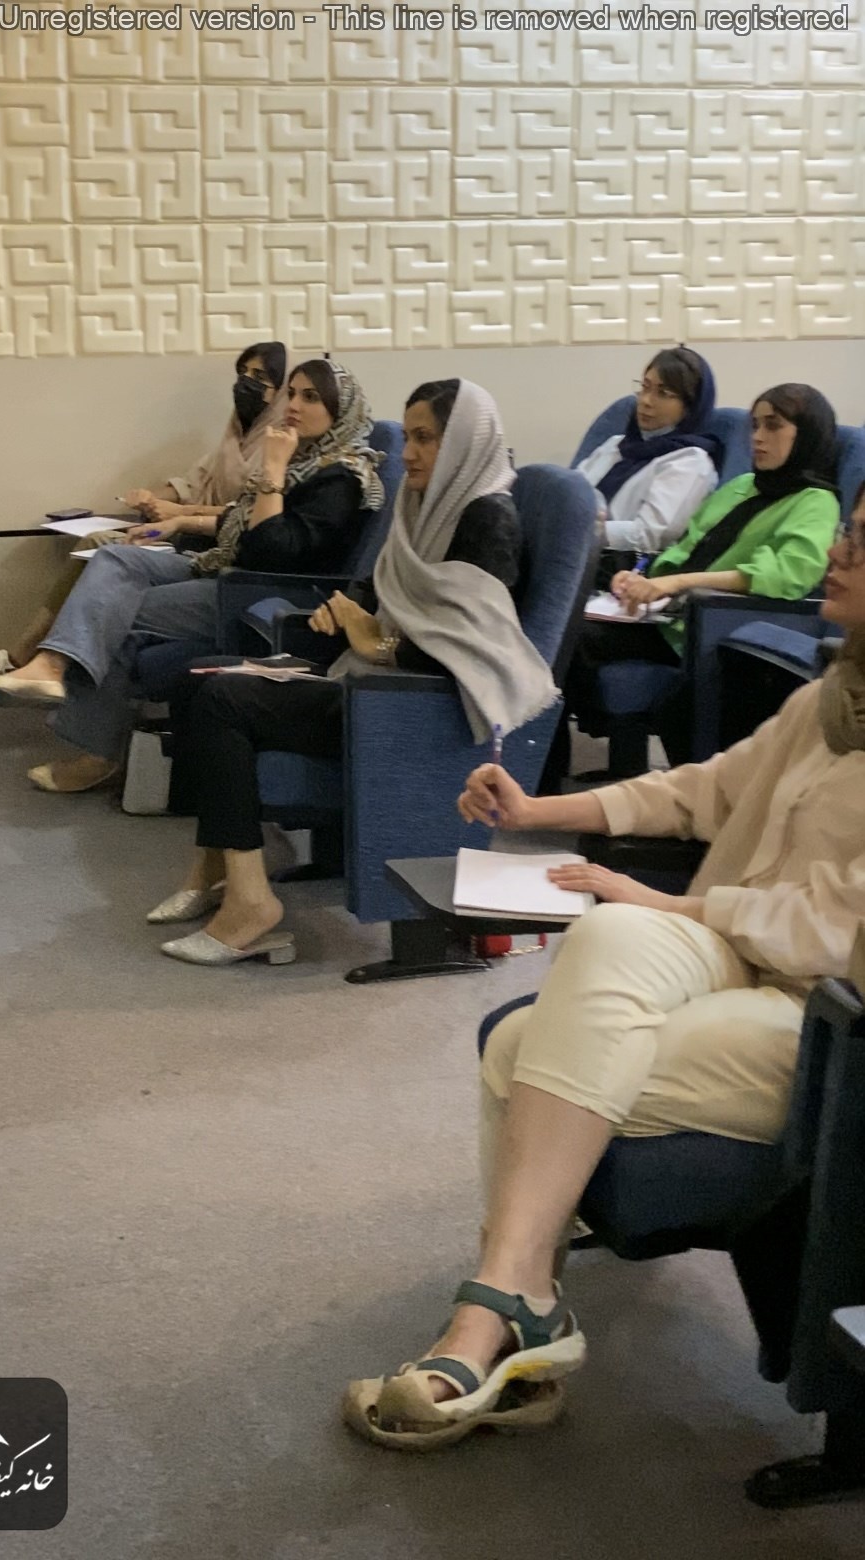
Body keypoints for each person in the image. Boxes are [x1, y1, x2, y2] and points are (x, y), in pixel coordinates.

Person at [342, 487, 865, 1452]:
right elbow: (701, 792)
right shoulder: (830, 700)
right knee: (609, 935)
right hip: (736, 950)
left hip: (832, 1015)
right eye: (848, 532)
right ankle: (519, 1301)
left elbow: (839, 929)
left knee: (526, 1049)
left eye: (863, 543)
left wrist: (672, 905)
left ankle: (506, 1313)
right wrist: (536, 812)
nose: (839, 551)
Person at [150, 379, 557, 967]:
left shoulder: (488, 520)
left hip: (406, 709)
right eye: (408, 437)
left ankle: (250, 904)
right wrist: (346, 612)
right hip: (366, 684)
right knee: (200, 683)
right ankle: (218, 869)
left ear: (464, 441)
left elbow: (475, 652)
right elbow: (383, 587)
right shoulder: (427, 502)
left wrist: (382, 645)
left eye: (425, 439)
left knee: (223, 701)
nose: (408, 454)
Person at [0, 359, 384, 794]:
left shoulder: (341, 478)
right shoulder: (306, 460)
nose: (293, 405)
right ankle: (49, 666)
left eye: (310, 397)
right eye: (292, 394)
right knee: (112, 559)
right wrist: (181, 522)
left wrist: (273, 474)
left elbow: (271, 550)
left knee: (115, 611)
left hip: (260, 593)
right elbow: (240, 523)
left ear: (340, 409)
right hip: (226, 565)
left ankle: (96, 752)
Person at [0, 343, 289, 687]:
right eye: (242, 373)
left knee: (109, 558)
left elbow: (244, 514)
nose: (246, 382)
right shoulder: (234, 436)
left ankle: (34, 661)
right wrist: (149, 498)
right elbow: (193, 483)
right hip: (187, 536)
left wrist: (181, 513)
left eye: (259, 376)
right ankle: (29, 658)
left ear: (279, 392)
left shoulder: (280, 449)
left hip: (212, 550)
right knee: (95, 542)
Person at [562, 382, 841, 776]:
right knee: (564, 622)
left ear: (808, 434)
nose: (758, 437)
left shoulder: (816, 502)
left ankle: (544, 770)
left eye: (773, 425)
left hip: (710, 629)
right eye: (755, 425)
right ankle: (566, 767)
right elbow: (685, 548)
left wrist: (677, 584)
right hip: (665, 613)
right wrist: (639, 576)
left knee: (568, 637)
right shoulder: (743, 486)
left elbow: (786, 575)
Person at [575, 345, 719, 563]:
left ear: (690, 406)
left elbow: (649, 535)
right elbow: (572, 490)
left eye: (663, 393)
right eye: (645, 387)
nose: (646, 401)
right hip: (574, 550)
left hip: (618, 568)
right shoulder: (616, 445)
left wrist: (581, 530)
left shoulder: (690, 461)